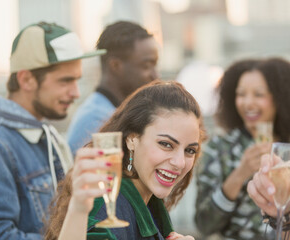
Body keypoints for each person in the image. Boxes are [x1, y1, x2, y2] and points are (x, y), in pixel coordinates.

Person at [0, 22, 105, 239]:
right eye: (66, 81)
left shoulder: (40, 133)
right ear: (26, 79)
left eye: (77, 80)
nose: (76, 92)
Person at [45, 80, 206, 240]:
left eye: (190, 150)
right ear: (132, 139)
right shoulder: (106, 209)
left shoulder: (149, 201)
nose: (180, 162)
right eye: (166, 144)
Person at [195, 58, 290, 239]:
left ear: (279, 97)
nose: (247, 103)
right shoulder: (220, 148)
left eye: (259, 94)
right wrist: (240, 173)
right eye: (241, 94)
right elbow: (204, 224)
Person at [67, 20, 159, 156]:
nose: (155, 75)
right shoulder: (97, 121)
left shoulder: (114, 113)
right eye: (146, 66)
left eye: (155, 65)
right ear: (115, 65)